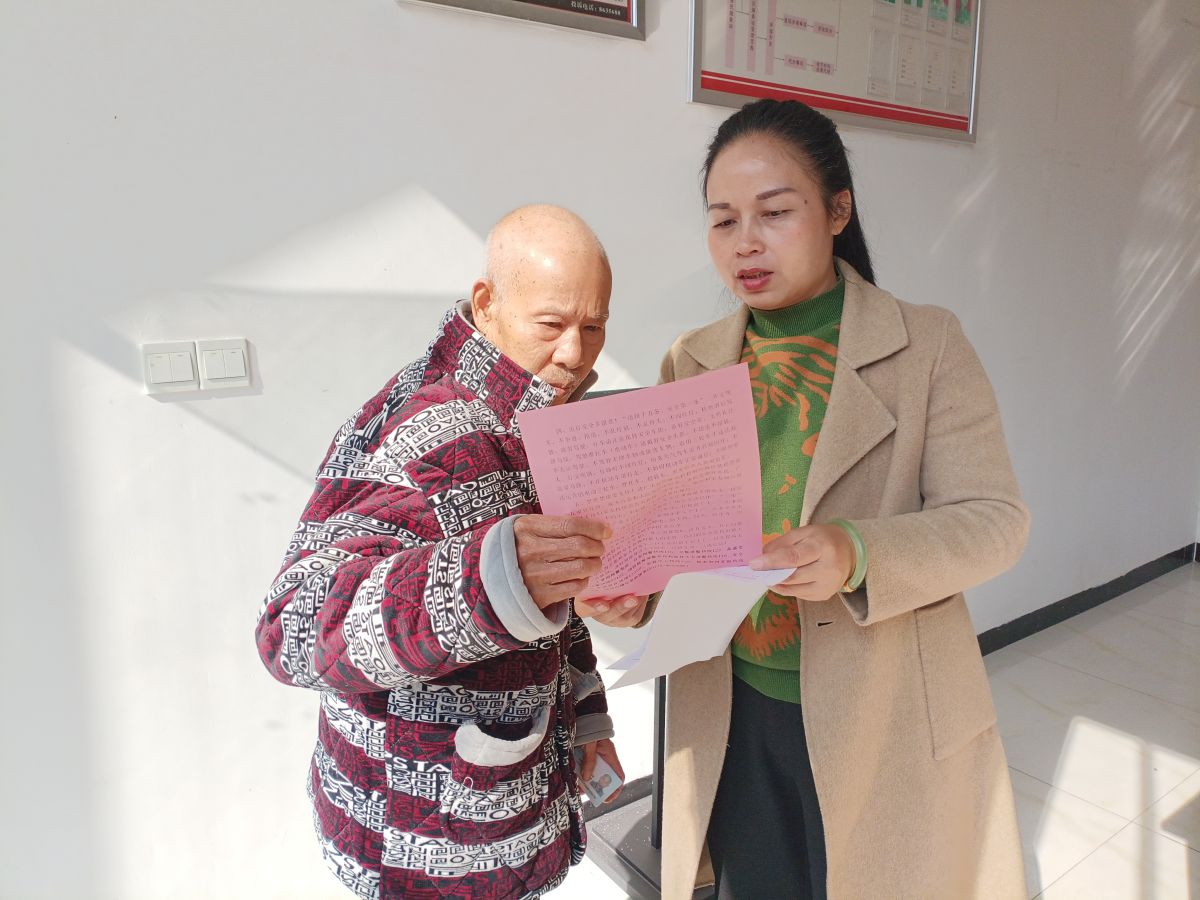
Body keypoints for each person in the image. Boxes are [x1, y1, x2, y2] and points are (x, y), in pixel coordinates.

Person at [657, 99, 1030, 899]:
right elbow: (672, 539)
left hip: (885, 711)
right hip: (731, 709)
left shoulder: (926, 345)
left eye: (774, 212)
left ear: (837, 211)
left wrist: (857, 551)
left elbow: (995, 522)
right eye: (723, 221)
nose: (745, 242)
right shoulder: (691, 362)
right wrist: (629, 591)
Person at [255, 204, 648, 900]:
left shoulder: (536, 422)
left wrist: (584, 716)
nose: (575, 353)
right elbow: (294, 626)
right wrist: (490, 581)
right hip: (416, 858)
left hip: (501, 832)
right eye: (552, 324)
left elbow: (543, 600)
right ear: (487, 302)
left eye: (594, 327)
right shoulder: (418, 433)